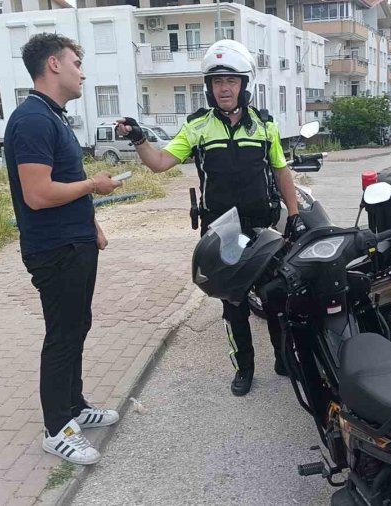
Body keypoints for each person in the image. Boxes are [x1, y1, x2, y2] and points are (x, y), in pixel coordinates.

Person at [114, 39, 305, 397]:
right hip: (223, 231)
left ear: (243, 84)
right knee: (234, 305)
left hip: (262, 227)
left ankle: (284, 359)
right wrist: (139, 138)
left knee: (275, 297)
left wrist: (293, 214)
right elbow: (159, 163)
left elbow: (281, 170)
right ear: (209, 87)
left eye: (231, 80)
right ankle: (244, 368)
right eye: (217, 81)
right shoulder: (197, 128)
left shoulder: (264, 126)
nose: (224, 88)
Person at [5, 33, 122, 466]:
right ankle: (57, 430)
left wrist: (92, 224)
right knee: (62, 335)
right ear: (53, 65)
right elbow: (37, 194)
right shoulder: (33, 120)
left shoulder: (53, 117)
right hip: (54, 248)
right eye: (76, 63)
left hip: (75, 241)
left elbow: (64, 179)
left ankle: (74, 406)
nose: (82, 73)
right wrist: (94, 185)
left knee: (77, 326)